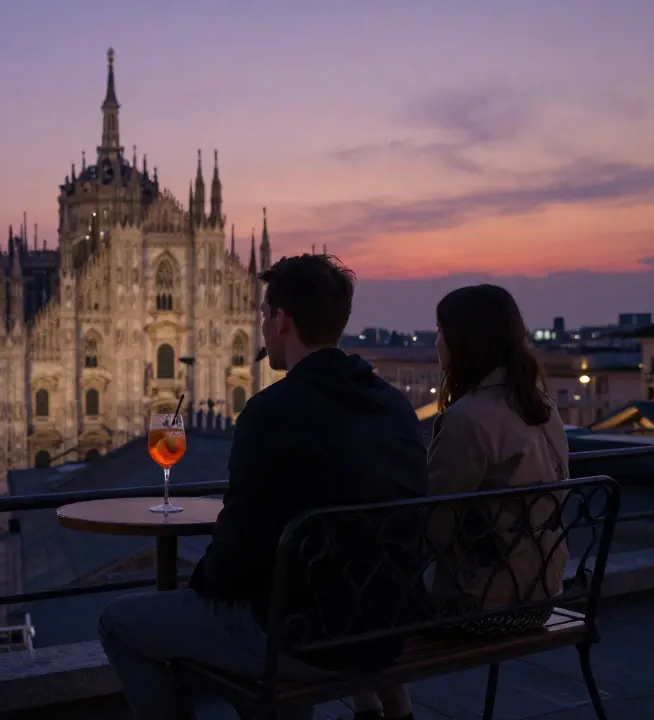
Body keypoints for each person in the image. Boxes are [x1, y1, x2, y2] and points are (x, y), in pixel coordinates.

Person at [98, 254, 428, 720]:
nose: (261, 330)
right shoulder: (394, 406)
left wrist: (202, 588)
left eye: (262, 316)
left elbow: (238, 547)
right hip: (388, 630)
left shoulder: (271, 411)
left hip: (303, 638)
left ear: (283, 320)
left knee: (119, 622)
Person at [355, 284, 570, 720]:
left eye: (440, 330)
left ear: (464, 341)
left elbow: (432, 529)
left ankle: (381, 711)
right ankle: (386, 711)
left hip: (485, 608)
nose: (435, 341)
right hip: (543, 595)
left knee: (360, 591)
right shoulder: (543, 406)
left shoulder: (466, 419)